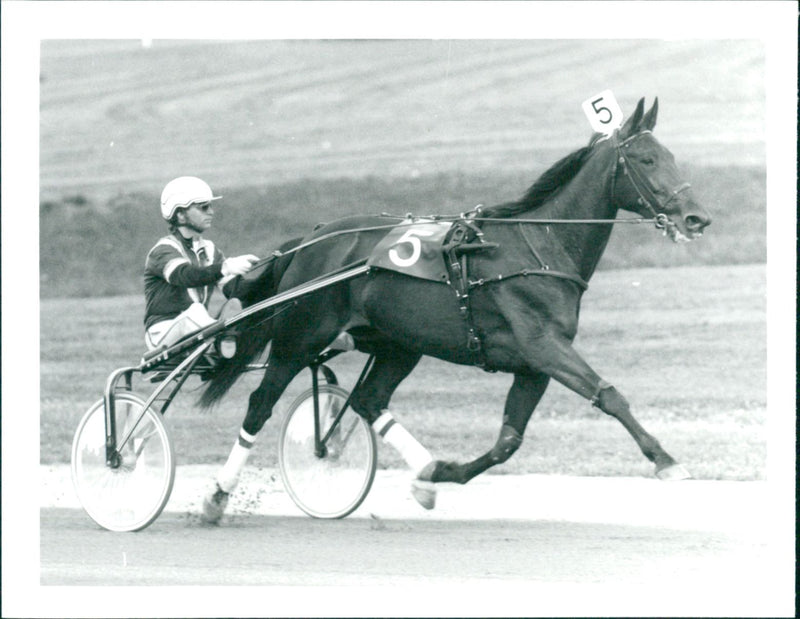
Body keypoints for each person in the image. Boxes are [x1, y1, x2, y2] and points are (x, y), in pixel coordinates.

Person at [143, 176, 259, 356]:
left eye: (210, 206)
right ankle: (224, 337)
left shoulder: (209, 250)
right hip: (161, 334)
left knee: (235, 303)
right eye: (204, 207)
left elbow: (235, 289)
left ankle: (224, 336)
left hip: (198, 331)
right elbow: (186, 276)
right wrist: (225, 267)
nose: (211, 212)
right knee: (194, 311)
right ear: (180, 214)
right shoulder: (163, 250)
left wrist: (274, 272)